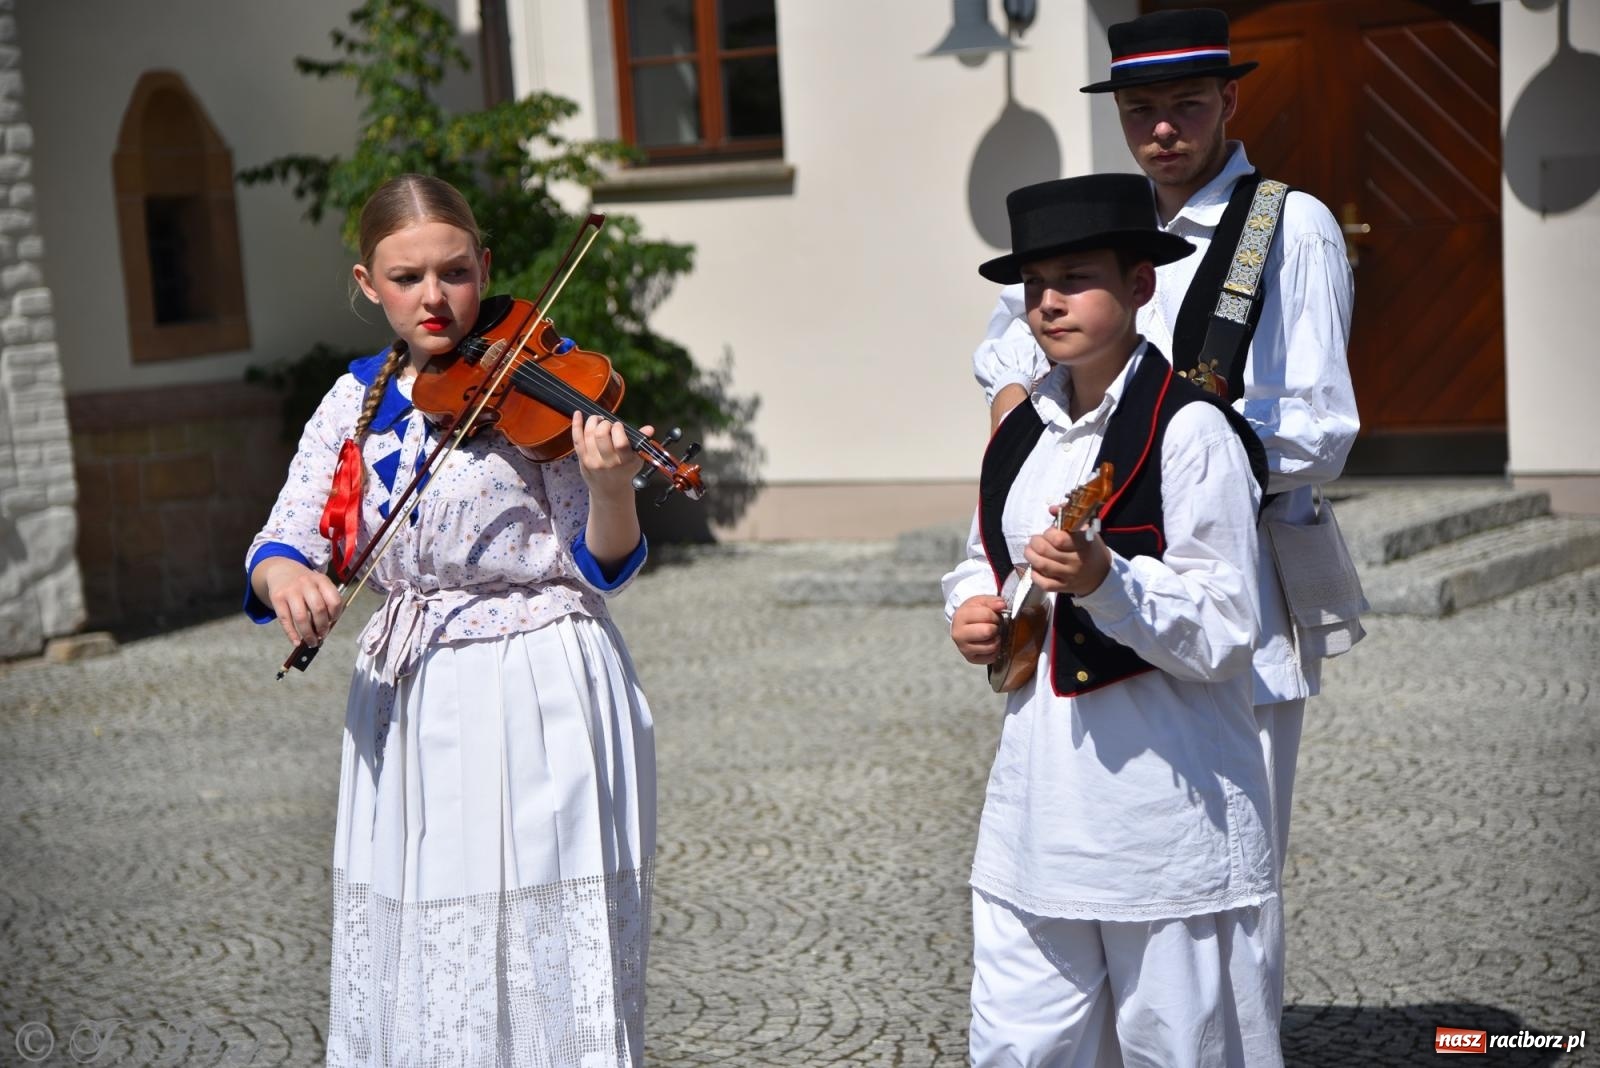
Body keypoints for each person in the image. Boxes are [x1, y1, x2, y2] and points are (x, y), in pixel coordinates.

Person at [971, 5, 1360, 1020]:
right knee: (1100, 839)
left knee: (1228, 851)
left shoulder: (1287, 224)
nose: (1161, 129)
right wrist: (1027, 422)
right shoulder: (1095, 226)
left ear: (1229, 100)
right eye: (1140, 109)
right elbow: (1002, 364)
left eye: (1186, 104)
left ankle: (1231, 1031)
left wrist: (1171, 449)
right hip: (1085, 585)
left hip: (1235, 567)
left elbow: (1318, 425)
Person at [244, 175, 656, 1067]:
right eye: (405, 279)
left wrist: (611, 485)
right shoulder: (355, 400)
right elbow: (284, 534)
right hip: (407, 691)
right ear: (367, 284)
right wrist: (288, 582)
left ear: (486, 267)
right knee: (429, 925)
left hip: (537, 680)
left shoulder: (544, 382)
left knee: (538, 918)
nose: (434, 298)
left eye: (455, 273)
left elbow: (605, 562)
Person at [943, 172, 1280, 1067]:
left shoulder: (1192, 432)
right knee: (1022, 1045)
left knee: (1181, 1046)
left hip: (1165, 809)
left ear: (1140, 285)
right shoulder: (1020, 430)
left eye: (1076, 277)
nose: (1049, 302)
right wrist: (973, 611)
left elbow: (1226, 626)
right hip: (1037, 812)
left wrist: (1108, 580)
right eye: (1035, 284)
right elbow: (981, 555)